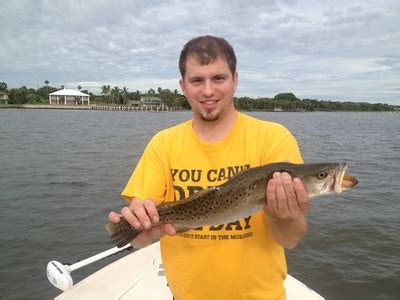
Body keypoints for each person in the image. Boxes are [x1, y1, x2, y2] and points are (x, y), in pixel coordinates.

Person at [108, 35, 310, 300]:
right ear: (183, 86)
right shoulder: (163, 145)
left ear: (235, 80)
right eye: (197, 80)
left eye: (218, 78)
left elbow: (291, 239)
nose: (207, 91)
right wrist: (140, 231)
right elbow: (138, 236)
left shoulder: (274, 139)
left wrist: (282, 214)